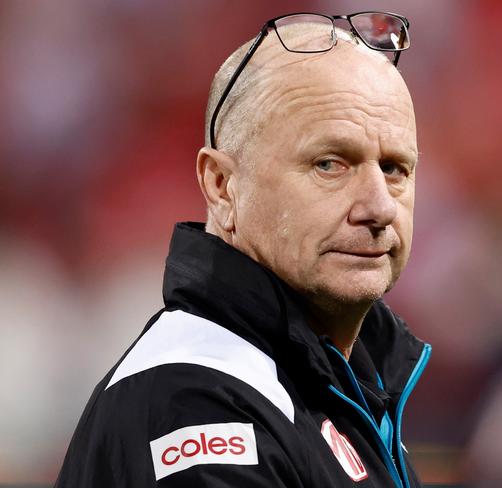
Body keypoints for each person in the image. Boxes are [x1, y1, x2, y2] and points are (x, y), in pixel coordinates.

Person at [55, 11, 430, 488]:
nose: (378, 206)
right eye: (330, 164)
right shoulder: (193, 398)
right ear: (222, 185)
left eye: (395, 168)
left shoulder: (346, 387)